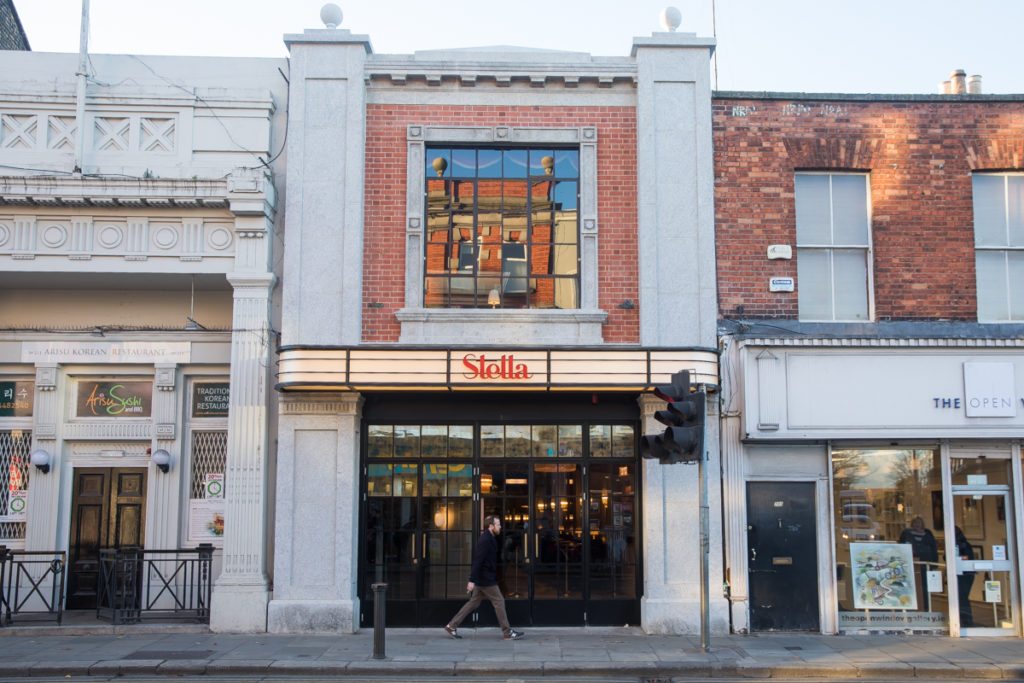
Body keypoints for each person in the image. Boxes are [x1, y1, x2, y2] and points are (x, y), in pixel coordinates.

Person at [444, 515, 524, 640]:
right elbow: (478, 561)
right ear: (491, 526)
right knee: (499, 601)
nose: (500, 526)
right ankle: (507, 632)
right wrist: (471, 580)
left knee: (473, 603)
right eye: (498, 524)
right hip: (486, 579)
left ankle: (451, 625)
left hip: (484, 579)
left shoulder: (490, 538)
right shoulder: (486, 540)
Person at [899, 516, 938, 609]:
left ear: (922, 524)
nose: (917, 524)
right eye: (915, 522)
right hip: (910, 564)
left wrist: (934, 563)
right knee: (910, 586)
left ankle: (926, 607)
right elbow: (901, 546)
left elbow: (933, 549)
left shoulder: (928, 534)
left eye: (919, 522)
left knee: (925, 587)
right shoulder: (906, 534)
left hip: (926, 564)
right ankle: (911, 607)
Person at [954, 525, 976, 627]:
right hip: (960, 573)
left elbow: (968, 557)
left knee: (962, 597)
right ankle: (963, 620)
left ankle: (967, 621)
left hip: (966, 574)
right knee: (961, 598)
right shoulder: (953, 544)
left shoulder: (964, 545)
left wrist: (958, 558)